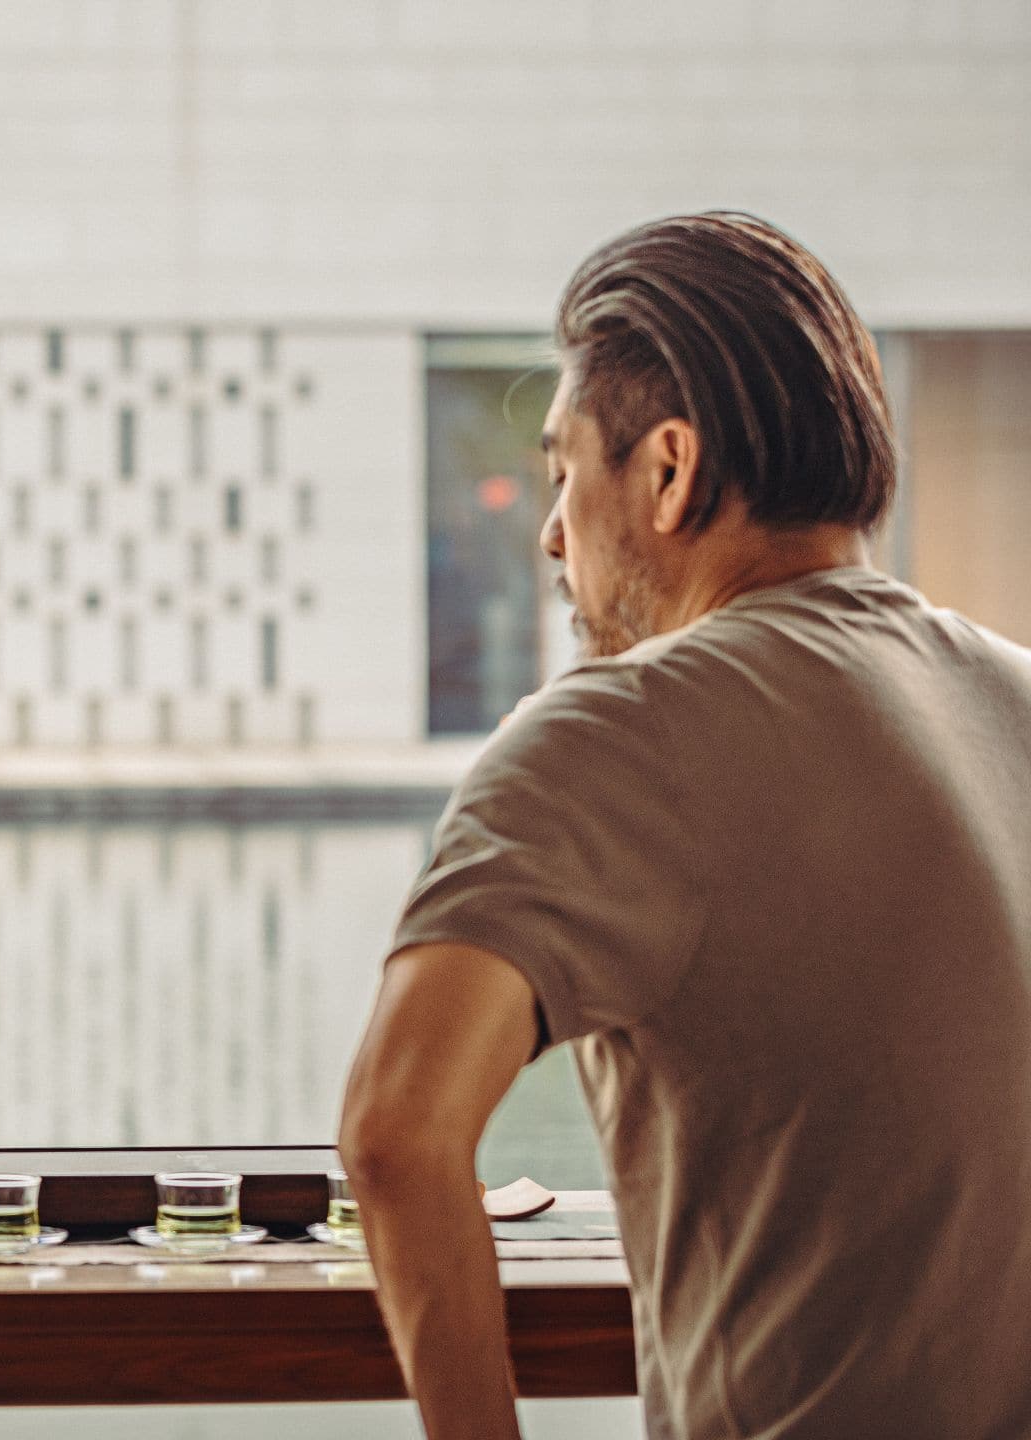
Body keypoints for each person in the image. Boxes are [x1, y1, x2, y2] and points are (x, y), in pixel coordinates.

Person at [338, 211, 1031, 1439]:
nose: (551, 530)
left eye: (563, 470)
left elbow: (397, 1133)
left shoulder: (612, 734)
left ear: (667, 468)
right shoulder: (1014, 693)